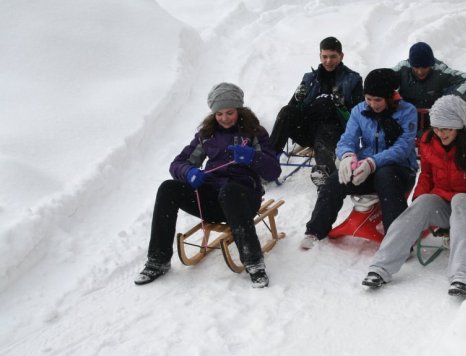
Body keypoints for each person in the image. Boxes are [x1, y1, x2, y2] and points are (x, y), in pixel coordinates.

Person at [361, 95, 466, 297]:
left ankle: (462, 276)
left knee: (461, 200)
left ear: (459, 127)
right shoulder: (429, 141)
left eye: (446, 129)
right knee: (423, 203)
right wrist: (419, 198)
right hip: (444, 200)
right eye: (436, 128)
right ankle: (380, 267)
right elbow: (427, 174)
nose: (440, 133)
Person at [134, 83, 281, 288]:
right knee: (168, 188)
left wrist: (252, 158)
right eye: (219, 113)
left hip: (244, 199)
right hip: (213, 200)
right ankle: (158, 260)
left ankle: (254, 262)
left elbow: (274, 171)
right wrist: (188, 172)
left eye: (230, 112)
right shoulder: (207, 134)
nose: (224, 118)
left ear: (239, 110)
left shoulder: (254, 133)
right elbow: (178, 163)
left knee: (230, 191)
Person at [301, 68, 418, 249]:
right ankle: (315, 230)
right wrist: (347, 156)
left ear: (389, 97)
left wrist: (373, 163)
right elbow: (347, 139)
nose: (372, 104)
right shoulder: (359, 110)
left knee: (385, 176)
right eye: (368, 98)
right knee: (334, 181)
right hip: (366, 167)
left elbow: (402, 148)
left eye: (377, 100)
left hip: (400, 169)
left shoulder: (407, 111)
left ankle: (397, 241)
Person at [270, 36, 363, 186]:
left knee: (327, 107)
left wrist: (341, 107)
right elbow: (292, 108)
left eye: (333, 56)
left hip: (335, 131)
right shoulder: (309, 78)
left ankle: (324, 170)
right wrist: (297, 99)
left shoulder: (353, 79)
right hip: (307, 129)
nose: (328, 61)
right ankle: (267, 160)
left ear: (341, 56)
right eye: (324, 56)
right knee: (287, 111)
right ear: (319, 56)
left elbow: (359, 115)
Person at [391, 41, 466, 133]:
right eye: (416, 67)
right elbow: (381, 79)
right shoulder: (403, 68)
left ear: (431, 64)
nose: (420, 72)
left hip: (436, 121)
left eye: (424, 67)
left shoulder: (441, 70)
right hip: (407, 118)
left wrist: (449, 99)